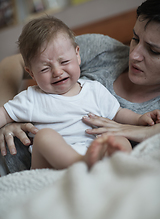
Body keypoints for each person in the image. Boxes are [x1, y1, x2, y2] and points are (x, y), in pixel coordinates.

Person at [0, 0, 160, 172]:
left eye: (154, 50)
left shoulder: (94, 89)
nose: (134, 55)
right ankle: (80, 162)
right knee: (45, 138)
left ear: (77, 56)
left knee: (120, 141)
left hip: (94, 155)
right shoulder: (31, 97)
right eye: (135, 39)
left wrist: (138, 120)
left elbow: (117, 113)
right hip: (48, 166)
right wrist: (8, 123)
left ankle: (118, 171)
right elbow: (10, 69)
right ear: (31, 73)